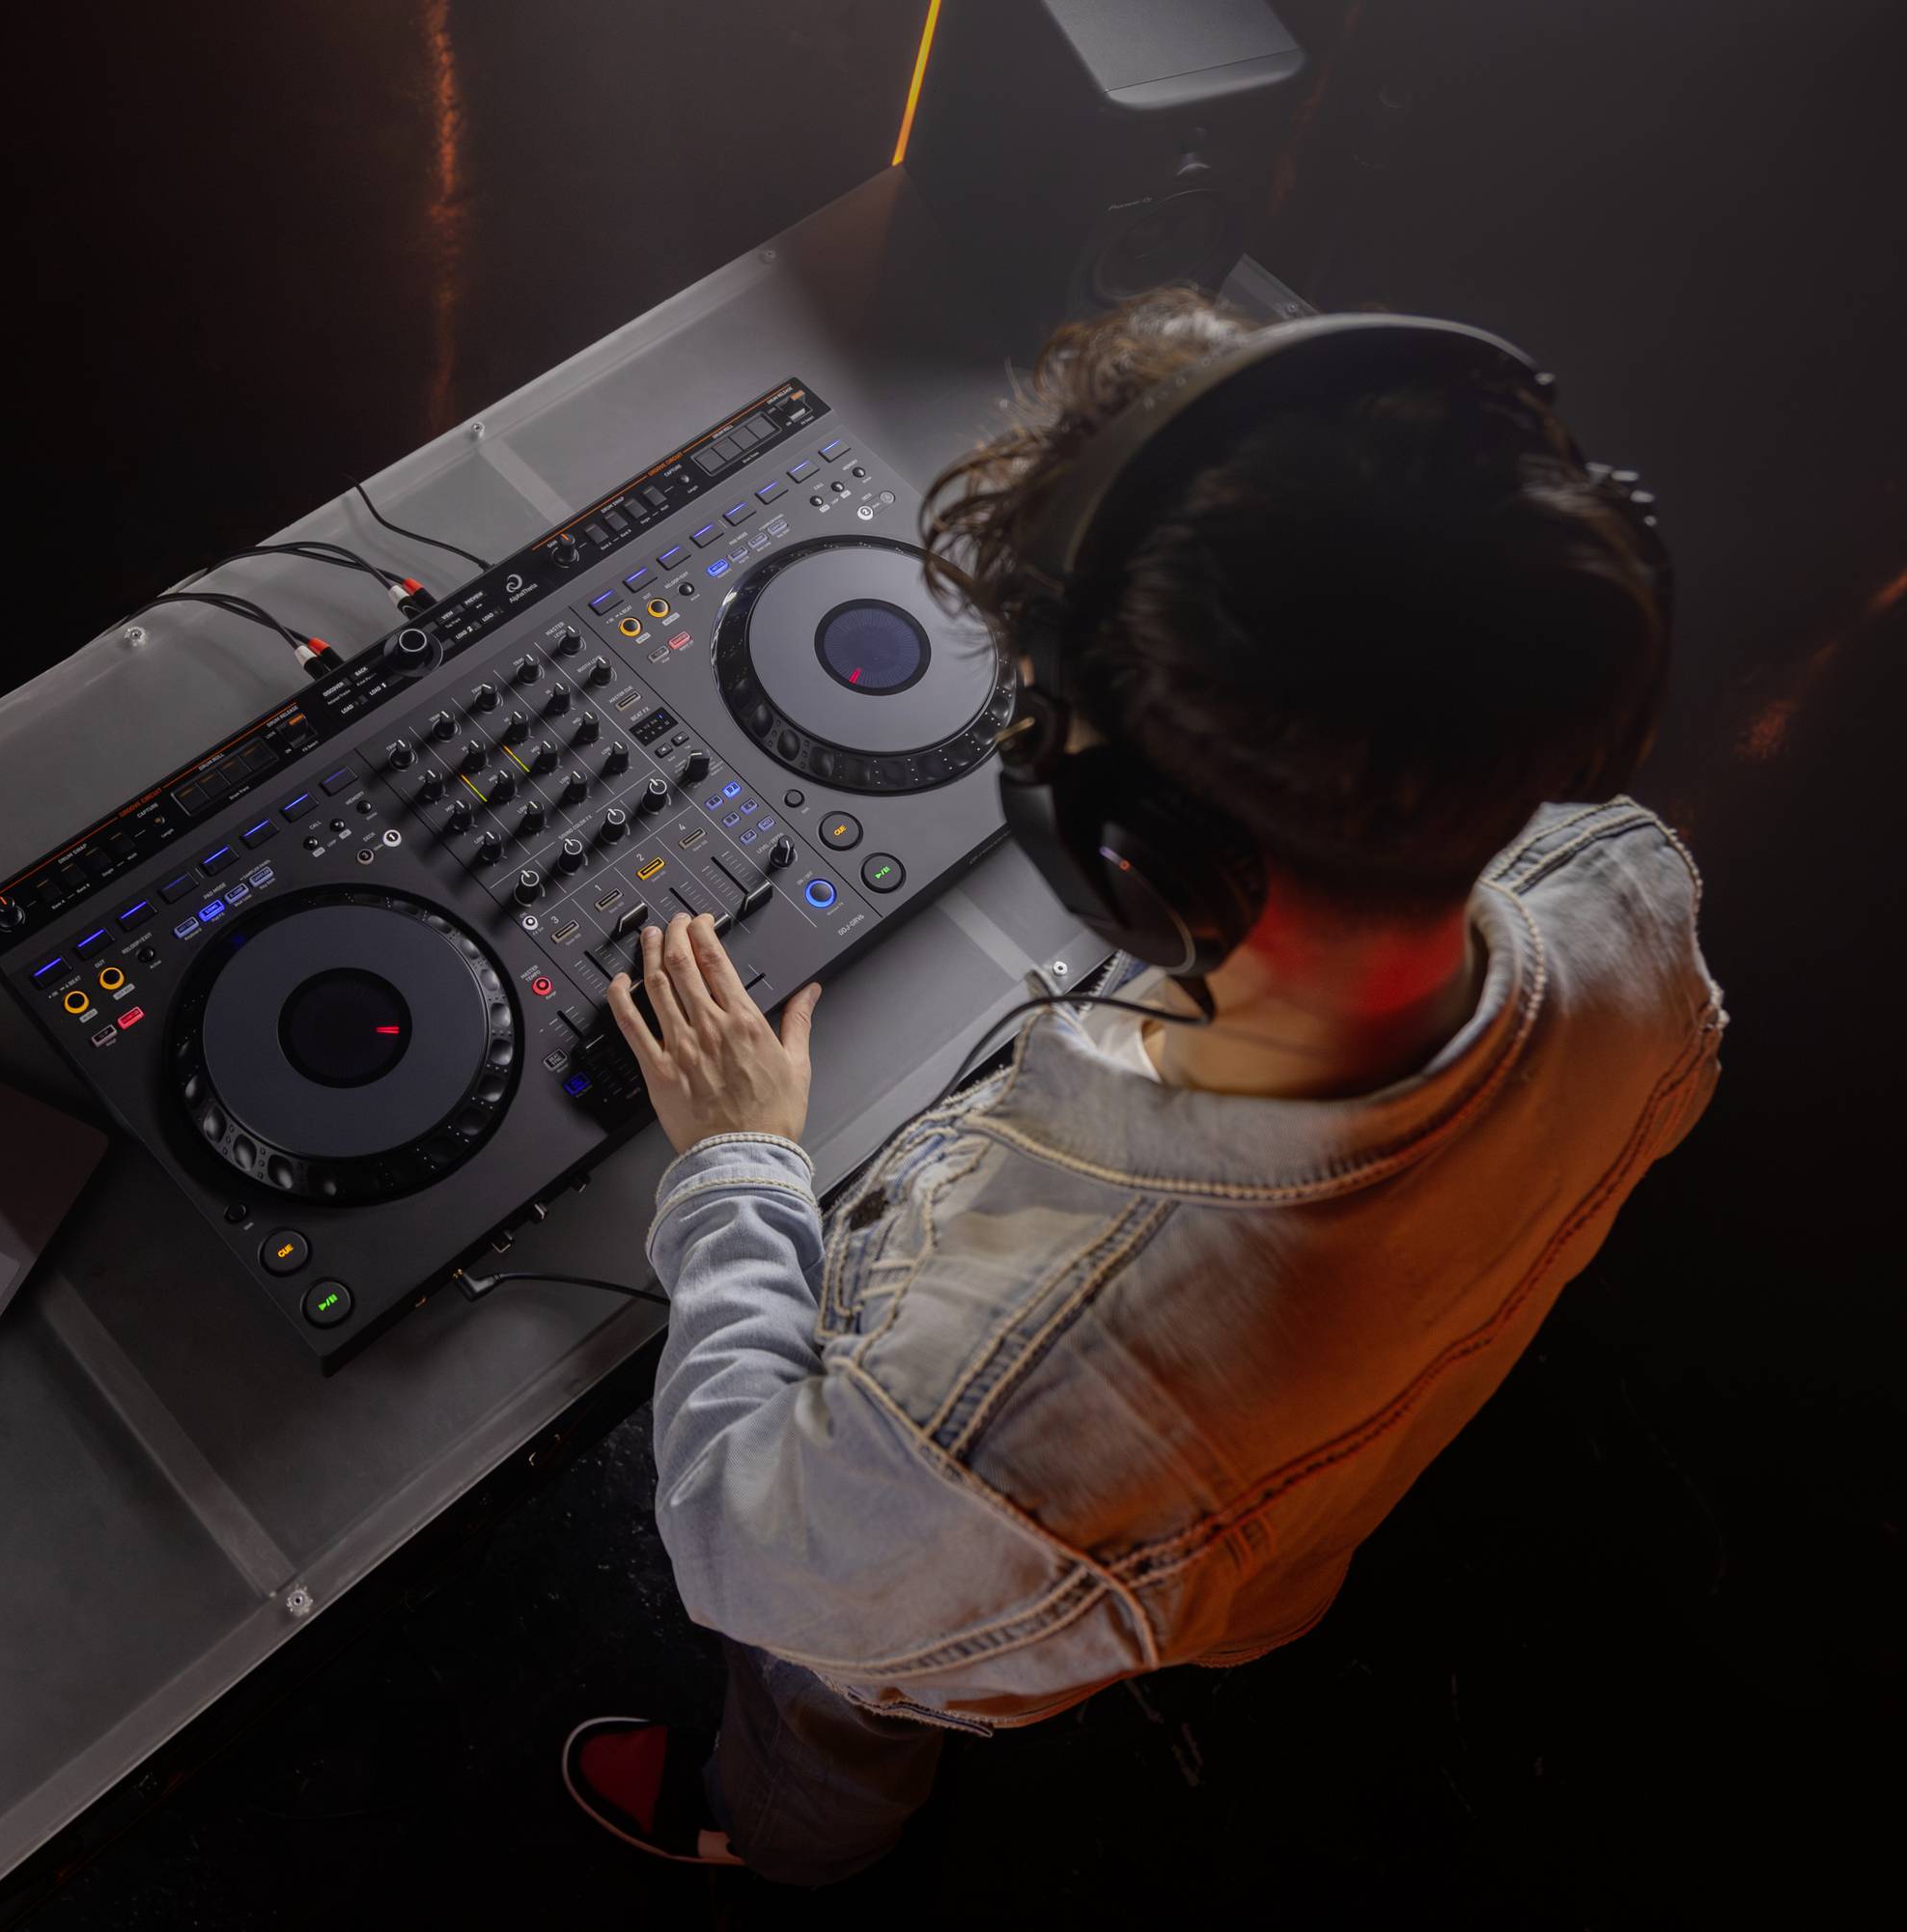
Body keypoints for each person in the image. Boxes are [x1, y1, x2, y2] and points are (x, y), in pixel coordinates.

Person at [556, 288, 1725, 1883]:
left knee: (831, 1706)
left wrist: (741, 1164)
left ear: (1119, 849)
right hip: (1255, 1532)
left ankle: (776, 1836)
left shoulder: (981, 1427)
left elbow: (741, 1550)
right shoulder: (1630, 885)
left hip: (933, 1606)